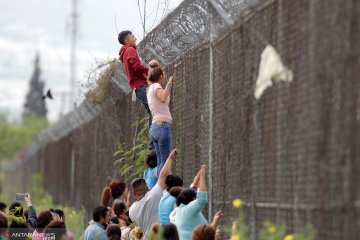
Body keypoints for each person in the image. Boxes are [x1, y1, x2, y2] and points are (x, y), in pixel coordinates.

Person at [129, 149, 178, 237]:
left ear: (135, 193)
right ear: (147, 188)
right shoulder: (153, 196)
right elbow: (163, 175)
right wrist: (170, 158)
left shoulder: (131, 211)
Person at [118, 30, 152, 133]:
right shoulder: (130, 50)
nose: (135, 38)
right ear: (127, 40)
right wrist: (150, 70)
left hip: (137, 86)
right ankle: (154, 143)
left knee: (152, 111)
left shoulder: (125, 52)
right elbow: (137, 67)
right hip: (140, 85)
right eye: (133, 37)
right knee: (154, 111)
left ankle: (153, 143)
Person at [146, 60, 175, 173]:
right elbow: (163, 97)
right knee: (165, 160)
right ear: (161, 76)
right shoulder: (156, 86)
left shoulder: (150, 88)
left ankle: (159, 188)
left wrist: (154, 66)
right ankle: (163, 188)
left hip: (155, 128)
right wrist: (169, 83)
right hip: (162, 126)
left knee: (160, 161)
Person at [175, 165, 208, 240]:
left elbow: (192, 190)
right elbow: (202, 199)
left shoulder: (181, 208)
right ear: (193, 199)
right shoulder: (189, 210)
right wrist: (202, 175)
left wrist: (198, 177)